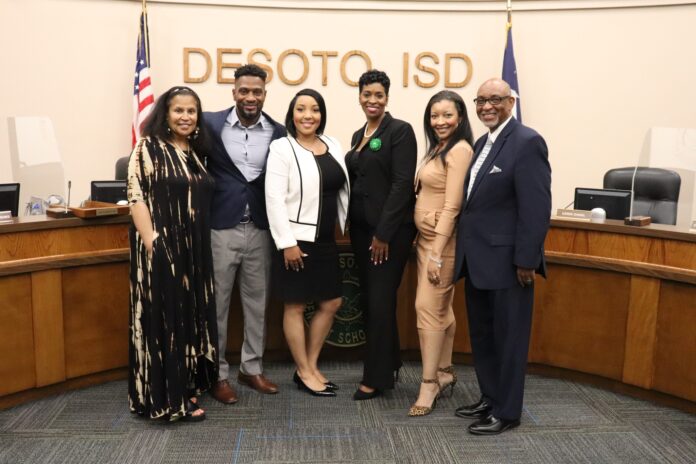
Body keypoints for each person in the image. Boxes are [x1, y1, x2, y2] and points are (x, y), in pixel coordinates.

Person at [453, 78, 552, 435]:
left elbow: (536, 207)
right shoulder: (482, 142)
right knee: (483, 336)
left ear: (511, 101)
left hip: (510, 264)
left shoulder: (527, 142)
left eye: (494, 99)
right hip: (477, 261)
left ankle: (507, 411)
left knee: (509, 340)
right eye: (480, 100)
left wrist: (526, 259)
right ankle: (490, 397)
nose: (486, 107)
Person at [127, 86, 217, 421]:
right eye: (179, 110)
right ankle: (166, 399)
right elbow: (137, 197)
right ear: (165, 113)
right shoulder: (147, 147)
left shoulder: (195, 151)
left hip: (193, 250)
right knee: (165, 320)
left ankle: (185, 386)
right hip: (162, 247)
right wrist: (152, 242)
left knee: (186, 319)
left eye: (191, 111)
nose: (185, 117)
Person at [203, 64, 286, 403]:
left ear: (265, 94)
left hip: (261, 229)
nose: (250, 97)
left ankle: (251, 368)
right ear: (234, 92)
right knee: (218, 305)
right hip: (221, 227)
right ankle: (218, 374)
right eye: (244, 91)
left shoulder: (280, 131)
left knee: (257, 303)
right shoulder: (209, 124)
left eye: (257, 92)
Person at [265, 89, 350, 397]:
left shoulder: (333, 145)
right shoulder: (282, 148)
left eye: (314, 109)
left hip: (326, 239)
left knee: (332, 302)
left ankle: (311, 366)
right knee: (296, 304)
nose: (308, 115)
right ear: (292, 114)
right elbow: (273, 198)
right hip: (296, 240)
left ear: (321, 115)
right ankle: (303, 369)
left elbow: (341, 188)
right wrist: (286, 242)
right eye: (301, 109)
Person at [345, 70, 418, 400]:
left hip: (387, 236)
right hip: (361, 234)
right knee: (375, 301)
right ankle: (388, 364)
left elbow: (403, 185)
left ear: (387, 98)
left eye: (378, 95)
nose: (372, 100)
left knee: (379, 301)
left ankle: (374, 378)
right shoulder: (358, 133)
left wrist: (384, 234)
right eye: (367, 94)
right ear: (359, 96)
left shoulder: (399, 132)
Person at [409, 91, 473, 416]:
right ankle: (445, 372)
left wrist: (436, 252)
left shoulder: (460, 150)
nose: (440, 122)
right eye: (435, 116)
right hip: (425, 241)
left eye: (447, 115)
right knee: (440, 308)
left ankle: (429, 383)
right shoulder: (438, 146)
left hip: (442, 243)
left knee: (427, 308)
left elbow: (452, 206)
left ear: (460, 117)